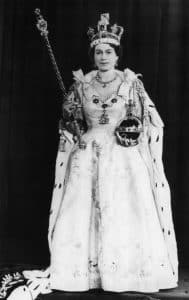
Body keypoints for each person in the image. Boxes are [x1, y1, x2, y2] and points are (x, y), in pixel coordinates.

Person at [23, 12, 178, 296]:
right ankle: (83, 274)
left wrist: (132, 132)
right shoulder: (80, 84)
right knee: (81, 211)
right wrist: (69, 116)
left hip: (123, 156)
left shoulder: (132, 84)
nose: (103, 56)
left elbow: (145, 121)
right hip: (87, 153)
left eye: (108, 51)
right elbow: (72, 124)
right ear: (93, 55)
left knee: (124, 209)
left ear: (117, 55)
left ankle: (124, 275)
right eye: (98, 52)